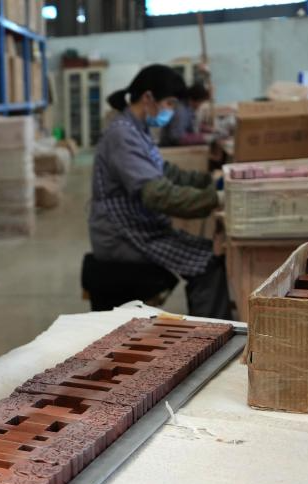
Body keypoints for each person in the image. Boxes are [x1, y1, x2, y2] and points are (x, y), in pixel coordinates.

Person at [89, 65, 232, 320]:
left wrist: (209, 181)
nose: (171, 111)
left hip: (142, 228)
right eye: (169, 103)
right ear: (148, 98)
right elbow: (157, 195)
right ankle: (210, 333)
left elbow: (165, 172)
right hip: (122, 236)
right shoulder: (122, 135)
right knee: (209, 262)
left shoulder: (137, 130)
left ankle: (206, 325)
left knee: (209, 251)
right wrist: (215, 198)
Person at [160, 82, 211, 147]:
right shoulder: (180, 111)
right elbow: (178, 137)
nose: (201, 105)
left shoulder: (188, 108)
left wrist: (208, 129)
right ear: (195, 100)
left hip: (178, 144)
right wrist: (203, 138)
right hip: (170, 148)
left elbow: (192, 125)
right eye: (201, 102)